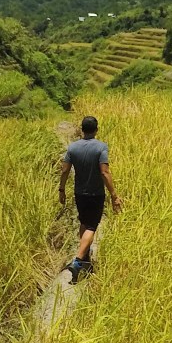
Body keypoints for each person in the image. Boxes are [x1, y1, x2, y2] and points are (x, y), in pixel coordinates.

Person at [58, 115, 122, 283]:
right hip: (95, 194)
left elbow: (64, 170)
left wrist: (61, 189)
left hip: (79, 193)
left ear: (82, 129)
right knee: (92, 226)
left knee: (84, 223)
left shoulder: (73, 148)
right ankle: (78, 261)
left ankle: (85, 258)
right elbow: (104, 172)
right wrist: (114, 195)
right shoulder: (101, 147)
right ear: (96, 130)